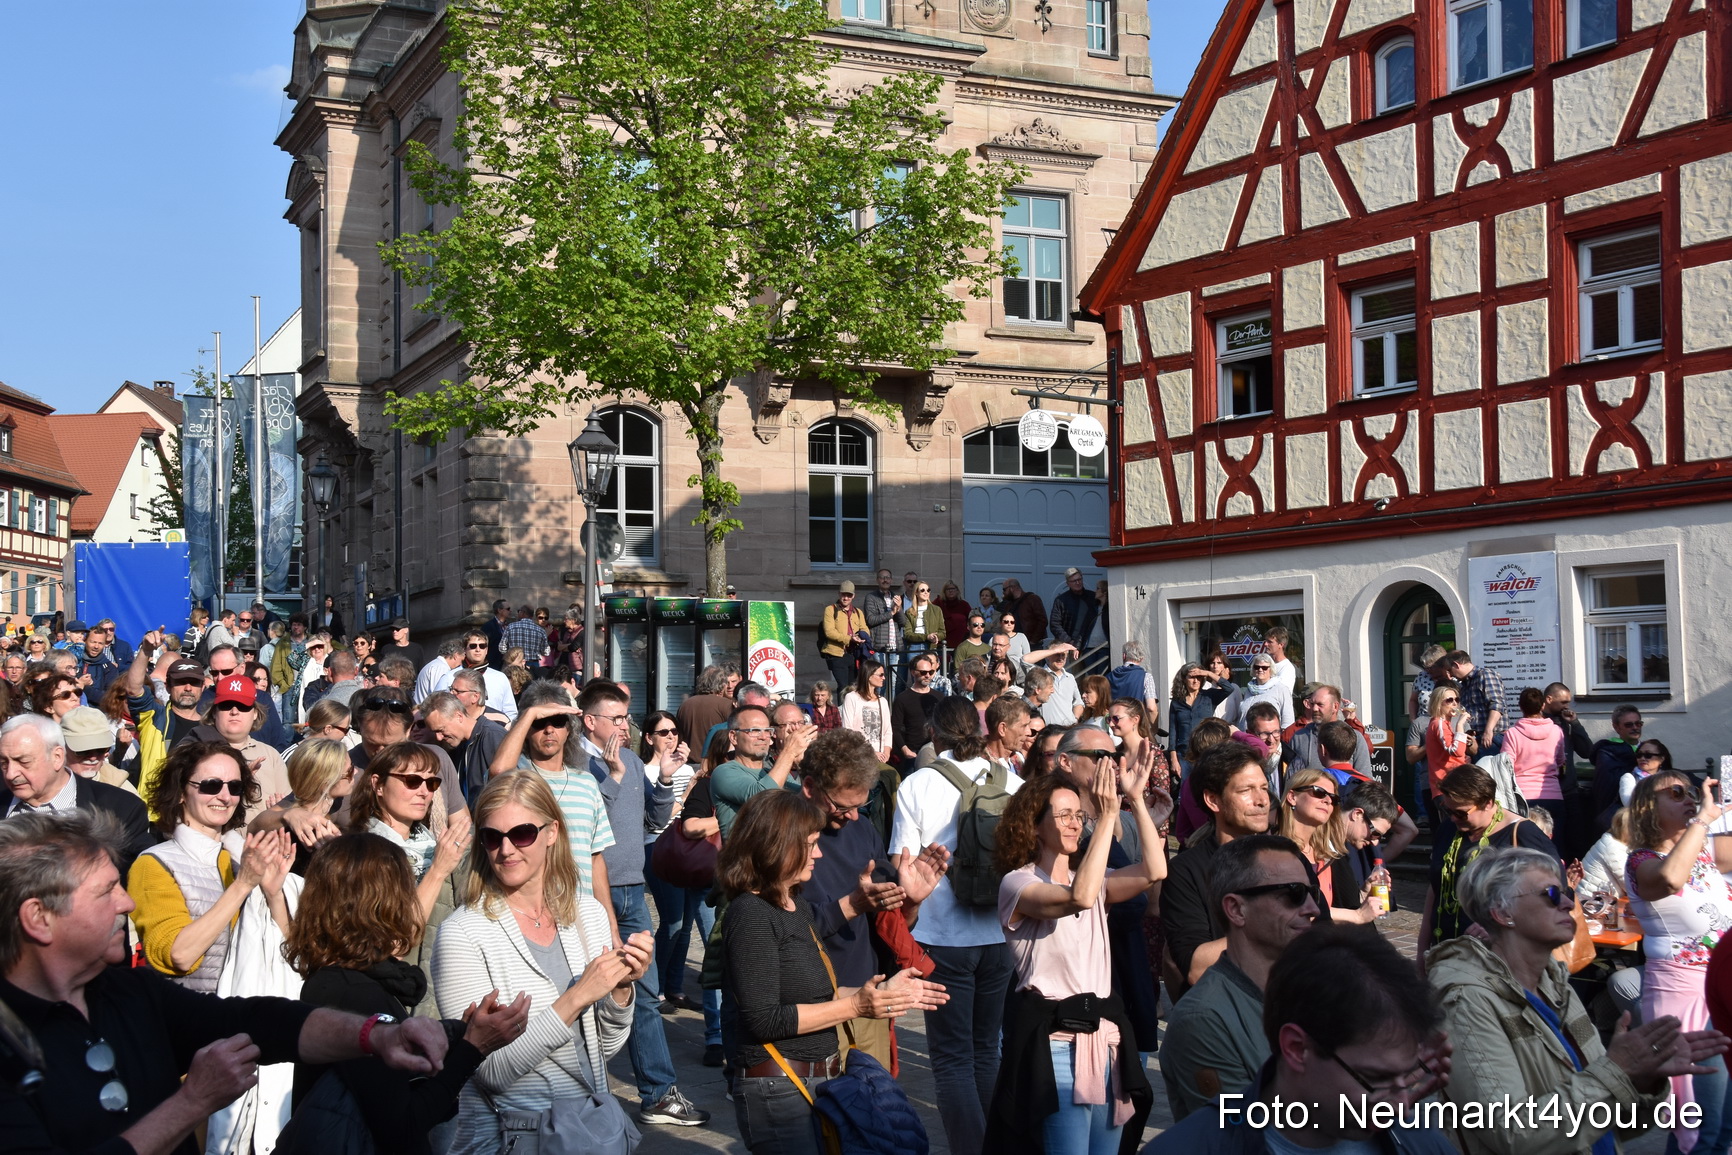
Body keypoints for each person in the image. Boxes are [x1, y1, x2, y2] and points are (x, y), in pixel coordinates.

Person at [0, 808, 454, 1155]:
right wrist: (192, 1102)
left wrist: (374, 1036)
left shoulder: (130, 991)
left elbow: (252, 1020)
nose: (127, 902)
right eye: (106, 891)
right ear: (39, 918)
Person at [1432, 846, 1726, 1155]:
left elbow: (1614, 1126)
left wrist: (1643, 1078)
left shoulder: (1555, 983)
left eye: (1565, 891)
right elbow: (1513, 1133)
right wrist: (1618, 1070)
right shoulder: (1466, 998)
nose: (1567, 903)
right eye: (1549, 894)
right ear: (1504, 913)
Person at [431, 769, 652, 1155]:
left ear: (551, 832)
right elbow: (488, 1071)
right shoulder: (462, 934)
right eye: (492, 837)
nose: (506, 849)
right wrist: (576, 997)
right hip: (510, 1139)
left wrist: (619, 988)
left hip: (590, 1130)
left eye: (521, 834)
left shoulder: (588, 914)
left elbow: (602, 1049)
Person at [719, 788, 946, 1155]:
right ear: (776, 845)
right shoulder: (751, 915)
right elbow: (764, 1019)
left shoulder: (795, 906)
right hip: (780, 1090)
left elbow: (817, 995)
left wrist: (885, 992)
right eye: (810, 845)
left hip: (815, 1081)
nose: (819, 853)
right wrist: (856, 1007)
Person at [288, 829, 526, 1155]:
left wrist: (461, 1034)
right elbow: (404, 1125)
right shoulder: (352, 994)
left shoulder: (346, 981)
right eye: (404, 890)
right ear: (380, 906)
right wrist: (474, 1049)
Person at [984, 753, 1163, 1153]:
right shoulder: (1018, 884)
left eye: (1078, 815)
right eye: (1063, 814)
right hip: (1055, 1050)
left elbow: (1155, 871)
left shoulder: (1097, 882)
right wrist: (1108, 816)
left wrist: (1134, 800)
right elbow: (1079, 896)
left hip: (1105, 1044)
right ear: (1034, 823)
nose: (1074, 823)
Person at [1148, 923, 1456, 1155]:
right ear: (1296, 1048)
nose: (1402, 1106)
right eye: (1377, 1078)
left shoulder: (1418, 1142)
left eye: (1409, 1076)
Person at [888, 695, 1023, 1155]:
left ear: (933, 733)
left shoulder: (919, 784)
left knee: (950, 1061)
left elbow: (901, 865)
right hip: (1000, 934)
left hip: (942, 938)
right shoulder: (1015, 782)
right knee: (988, 1051)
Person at [576, 681, 707, 1127]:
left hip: (633, 890)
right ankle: (586, 1096)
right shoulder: (577, 763)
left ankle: (657, 1094)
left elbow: (653, 818)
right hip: (595, 894)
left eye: (627, 718)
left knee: (644, 994)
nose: (625, 726)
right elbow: (589, 822)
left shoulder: (630, 759)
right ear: (590, 721)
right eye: (616, 719)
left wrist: (666, 778)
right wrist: (611, 777)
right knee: (590, 995)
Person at [797, 728, 948, 1069]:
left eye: (859, 806)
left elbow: (890, 925)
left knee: (875, 1111)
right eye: (842, 806)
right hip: (814, 1006)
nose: (852, 816)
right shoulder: (783, 834)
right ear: (809, 787)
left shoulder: (862, 828)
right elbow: (784, 930)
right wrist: (853, 904)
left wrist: (910, 901)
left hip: (870, 998)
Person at [1159, 833, 1322, 1121]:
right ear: (1236, 909)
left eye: (1312, 893)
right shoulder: (1204, 1020)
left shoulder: (1318, 993)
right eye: (1294, 893)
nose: (1312, 909)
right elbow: (1246, 1134)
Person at [1625, 771, 1732, 1151]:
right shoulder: (1642, 860)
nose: (1687, 798)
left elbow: (1728, 851)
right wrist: (1703, 818)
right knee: (1704, 1126)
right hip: (1683, 994)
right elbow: (1670, 879)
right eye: (1675, 793)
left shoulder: (1702, 851)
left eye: (1689, 791)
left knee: (1724, 1126)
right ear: (1647, 808)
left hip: (1720, 986)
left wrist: (1725, 809)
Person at [130, 741, 293, 989]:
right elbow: (178, 957)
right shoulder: (154, 864)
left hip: (253, 1011)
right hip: (193, 1017)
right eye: (211, 785)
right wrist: (242, 886)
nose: (225, 797)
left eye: (235, 787)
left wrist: (273, 894)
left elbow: (288, 951)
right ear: (182, 792)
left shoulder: (243, 857)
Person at [348, 742, 472, 1011]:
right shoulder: (361, 852)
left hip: (444, 986)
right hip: (395, 999)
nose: (424, 792)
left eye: (432, 783)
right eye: (412, 781)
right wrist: (437, 871)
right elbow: (391, 945)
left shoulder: (434, 844)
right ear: (378, 785)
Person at [1160, 741, 1274, 996]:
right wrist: (1276, 928)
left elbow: (1316, 938)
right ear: (1213, 800)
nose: (1261, 800)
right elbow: (1195, 966)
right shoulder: (1185, 872)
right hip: (1223, 1017)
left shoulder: (1288, 859)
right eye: (1247, 790)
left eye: (1264, 788)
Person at [487, 681, 616, 907]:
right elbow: (498, 773)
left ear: (569, 729)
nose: (549, 730)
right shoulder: (519, 777)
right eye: (539, 722)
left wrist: (610, 925)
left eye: (557, 721)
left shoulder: (587, 783)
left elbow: (595, 859)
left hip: (582, 913)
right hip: (531, 913)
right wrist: (530, 713)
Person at [1424, 762, 1561, 950]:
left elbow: (1555, 892)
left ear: (1488, 803)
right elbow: (1435, 889)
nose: (1454, 818)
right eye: (1447, 810)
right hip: (1444, 950)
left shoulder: (1522, 833)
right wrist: (1422, 947)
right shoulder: (1448, 829)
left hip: (1499, 955)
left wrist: (1497, 924)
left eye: (1461, 813)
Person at [2, 713, 155, 872]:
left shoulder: (121, 808)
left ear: (57, 757)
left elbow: (139, 879)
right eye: (3, 762)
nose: (11, 773)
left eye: (24, 762)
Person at [1276, 769, 1383, 923]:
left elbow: (1326, 910)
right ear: (1292, 797)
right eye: (1319, 792)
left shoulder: (1325, 854)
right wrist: (1357, 916)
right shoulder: (1275, 851)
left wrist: (1363, 894)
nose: (1327, 800)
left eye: (1333, 799)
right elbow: (1293, 909)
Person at [713, 703, 814, 839]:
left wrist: (802, 764)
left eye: (767, 730)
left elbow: (808, 801)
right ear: (734, 737)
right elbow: (761, 796)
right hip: (745, 858)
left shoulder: (771, 772)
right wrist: (789, 752)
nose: (763, 737)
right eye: (754, 730)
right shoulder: (724, 772)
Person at [1504, 686, 1567, 827]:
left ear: (1520, 707)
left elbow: (1506, 766)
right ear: (1543, 705)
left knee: (1525, 844)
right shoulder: (1557, 731)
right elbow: (1561, 761)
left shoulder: (1512, 733)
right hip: (1553, 794)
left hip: (1523, 795)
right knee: (1555, 844)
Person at [1284, 684, 1373, 779]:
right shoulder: (1299, 737)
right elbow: (1291, 779)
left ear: (1335, 706)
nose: (1314, 709)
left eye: (1320, 704)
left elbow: (1365, 779)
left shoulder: (1354, 737)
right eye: (1312, 704)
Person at [1446, 649, 1508, 754]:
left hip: (1493, 737)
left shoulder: (1485, 675)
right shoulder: (1465, 685)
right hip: (1476, 739)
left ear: (1456, 665)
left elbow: (1497, 704)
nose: (1450, 676)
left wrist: (1488, 731)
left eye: (1450, 671)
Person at [839, 659, 893, 764]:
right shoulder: (852, 698)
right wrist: (871, 752)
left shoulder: (882, 701)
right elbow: (848, 730)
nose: (884, 678)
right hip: (859, 756)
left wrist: (886, 753)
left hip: (880, 758)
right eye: (881, 675)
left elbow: (888, 731)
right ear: (869, 675)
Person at [677, 665, 736, 752]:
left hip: (687, 759)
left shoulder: (685, 705)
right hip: (715, 760)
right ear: (721, 684)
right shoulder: (726, 705)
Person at [1234, 651, 1293, 728]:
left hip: (1268, 737)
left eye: (1264, 667)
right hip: (1245, 737)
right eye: (1257, 667)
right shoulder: (1249, 689)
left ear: (1271, 669)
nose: (1260, 670)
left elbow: (1288, 719)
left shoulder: (1281, 689)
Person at [1105, 641, 1160, 717]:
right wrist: (1153, 728)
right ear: (1141, 658)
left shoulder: (1109, 676)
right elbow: (1151, 707)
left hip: (1113, 721)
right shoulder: (1146, 677)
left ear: (1124, 656)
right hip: (1134, 722)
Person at [902, 580, 944, 678]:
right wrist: (926, 636)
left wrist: (936, 637)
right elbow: (908, 634)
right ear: (916, 592)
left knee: (932, 679)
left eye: (928, 590)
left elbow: (943, 632)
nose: (926, 592)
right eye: (922, 590)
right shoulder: (909, 612)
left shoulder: (936, 610)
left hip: (931, 647)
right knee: (917, 680)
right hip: (914, 647)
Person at [1620, 739, 1674, 805]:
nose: (1642, 758)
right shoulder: (1629, 778)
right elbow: (1630, 805)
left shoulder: (1671, 779)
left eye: (1648, 755)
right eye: (1639, 755)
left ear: (1661, 759)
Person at [998, 578, 1048, 649]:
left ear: (1012, 588)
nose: (1003, 593)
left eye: (1004, 589)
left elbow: (1043, 621)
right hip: (1013, 643)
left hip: (1032, 644)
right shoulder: (1008, 605)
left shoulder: (1032, 599)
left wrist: (1033, 640)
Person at [937, 580, 973, 652]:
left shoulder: (964, 605)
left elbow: (971, 621)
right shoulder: (938, 604)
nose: (951, 591)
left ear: (957, 591)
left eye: (953, 589)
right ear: (944, 592)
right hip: (944, 641)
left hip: (961, 640)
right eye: (948, 589)